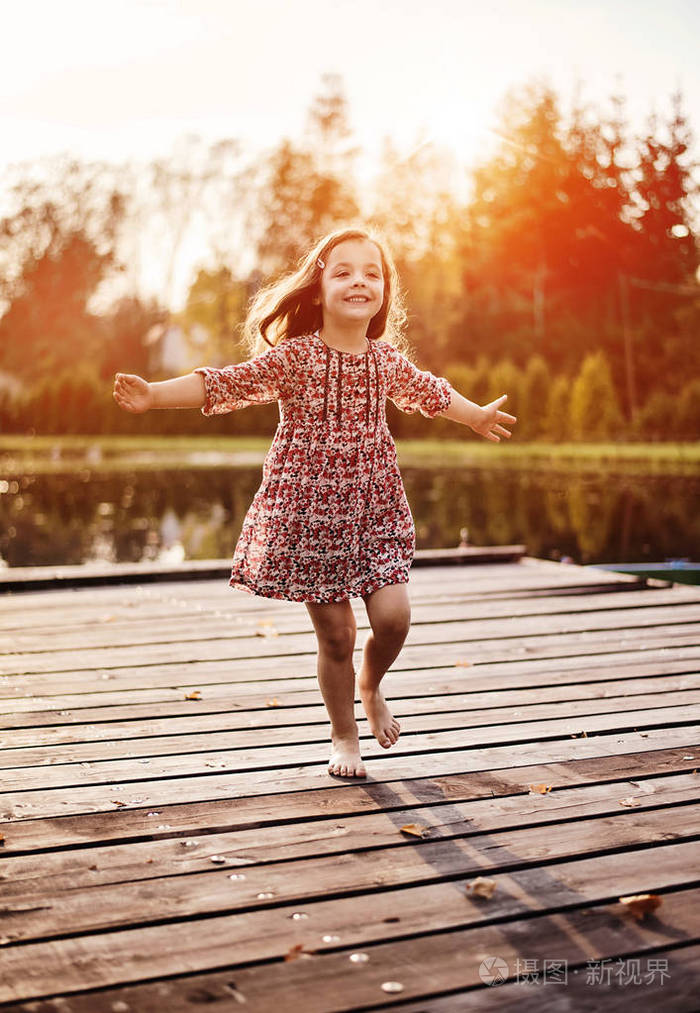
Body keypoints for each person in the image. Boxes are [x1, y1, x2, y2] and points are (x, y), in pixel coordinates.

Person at [113, 226, 516, 779]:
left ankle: (371, 684)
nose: (359, 281)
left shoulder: (385, 360)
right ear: (319, 288)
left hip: (374, 509)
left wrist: (475, 415)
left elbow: (431, 392)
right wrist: (155, 395)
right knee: (338, 635)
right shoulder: (296, 358)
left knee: (394, 620)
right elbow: (225, 383)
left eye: (372, 273)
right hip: (308, 517)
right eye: (343, 271)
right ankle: (343, 734)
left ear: (384, 292)